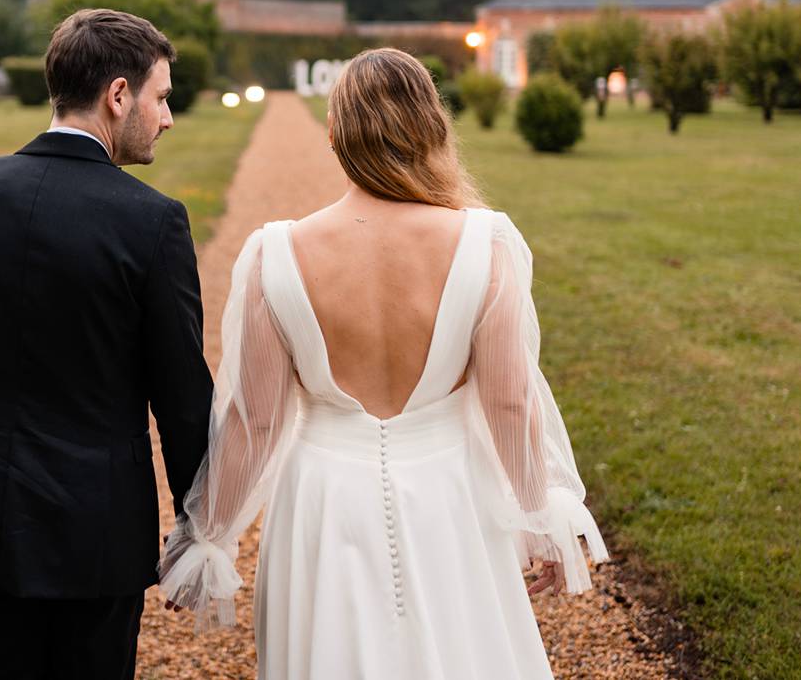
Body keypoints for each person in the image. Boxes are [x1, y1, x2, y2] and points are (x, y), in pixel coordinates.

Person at [159, 47, 608, 679]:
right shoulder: (486, 243)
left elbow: (255, 423)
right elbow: (510, 401)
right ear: (433, 127)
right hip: (452, 492)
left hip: (322, 500)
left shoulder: (275, 254)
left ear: (337, 137)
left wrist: (209, 539)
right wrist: (537, 513)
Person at [0, 8, 214, 679]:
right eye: (162, 97)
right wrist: (200, 530)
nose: (168, 117)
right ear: (119, 95)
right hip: (97, 528)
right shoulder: (152, 222)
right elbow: (181, 396)